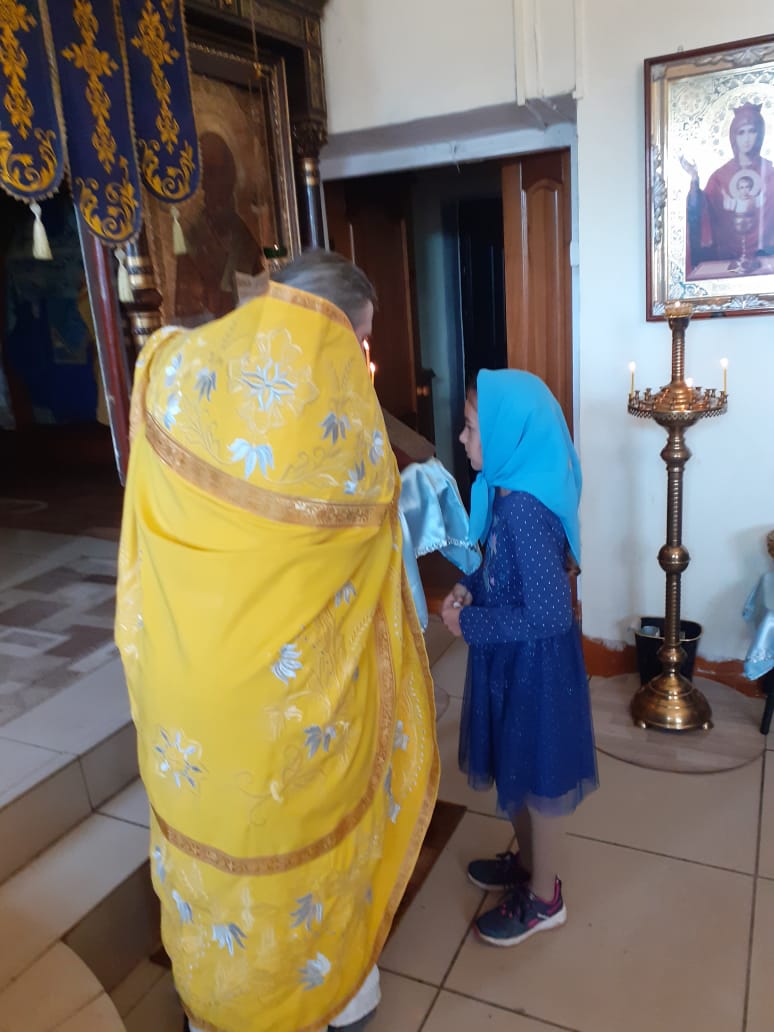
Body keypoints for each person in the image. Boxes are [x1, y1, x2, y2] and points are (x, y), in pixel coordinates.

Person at [115, 249, 439, 1031]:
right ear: (325, 323)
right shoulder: (343, 435)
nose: (362, 357)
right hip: (282, 706)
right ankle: (324, 995)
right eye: (359, 337)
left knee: (212, 850)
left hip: (186, 684)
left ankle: (216, 1003)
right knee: (302, 848)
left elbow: (158, 358)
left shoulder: (176, 372)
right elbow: (374, 530)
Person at [440, 369, 598, 948]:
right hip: (513, 663)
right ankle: (530, 865)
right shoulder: (507, 491)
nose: (462, 438)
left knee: (536, 779)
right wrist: (471, 588)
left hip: (534, 672)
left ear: (509, 436)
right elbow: (500, 569)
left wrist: (472, 624)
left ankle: (545, 898)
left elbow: (551, 615)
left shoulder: (524, 509)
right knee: (516, 765)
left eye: (470, 427)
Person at [174, 131, 263, 322]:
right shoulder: (191, 235)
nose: (208, 184)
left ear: (230, 176)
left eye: (215, 173)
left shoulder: (246, 238)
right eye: (204, 175)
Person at [680, 102, 774, 276]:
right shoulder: (719, 177)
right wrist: (694, 180)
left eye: (752, 131)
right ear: (733, 136)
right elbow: (700, 211)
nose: (747, 138)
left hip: (767, 260)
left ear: (760, 134)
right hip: (726, 260)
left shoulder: (770, 174)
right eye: (741, 132)